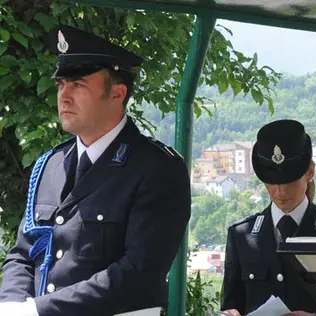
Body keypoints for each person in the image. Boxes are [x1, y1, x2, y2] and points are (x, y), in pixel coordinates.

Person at [0, 25, 191, 316]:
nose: (64, 96)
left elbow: (138, 273)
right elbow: (23, 254)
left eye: (77, 85)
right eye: (61, 85)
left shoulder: (157, 168)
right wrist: (11, 307)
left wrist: (38, 311)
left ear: (117, 92)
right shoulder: (49, 164)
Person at [220, 119, 316, 316]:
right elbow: (232, 304)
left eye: (289, 181)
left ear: (310, 171)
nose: (280, 191)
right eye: (271, 182)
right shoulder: (240, 236)